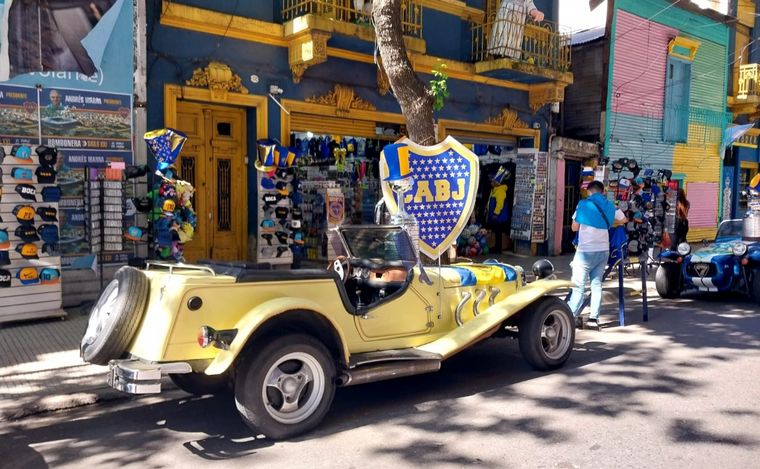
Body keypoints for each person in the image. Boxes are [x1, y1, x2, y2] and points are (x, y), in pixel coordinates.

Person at [567, 180, 627, 330]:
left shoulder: (583, 204)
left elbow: (574, 228)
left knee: (578, 286)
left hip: (585, 251)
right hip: (603, 250)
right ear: (602, 192)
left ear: (589, 191)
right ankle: (594, 319)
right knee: (596, 285)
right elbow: (624, 219)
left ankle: (569, 316)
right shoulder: (611, 205)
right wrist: (608, 223)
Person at [485, 166, 510, 253]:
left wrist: (496, 213)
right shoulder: (495, 190)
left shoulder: (500, 191)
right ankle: (496, 246)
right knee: (496, 231)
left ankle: (498, 248)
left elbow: (500, 204)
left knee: (498, 231)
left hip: (498, 216)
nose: (491, 182)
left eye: (493, 181)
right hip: (494, 215)